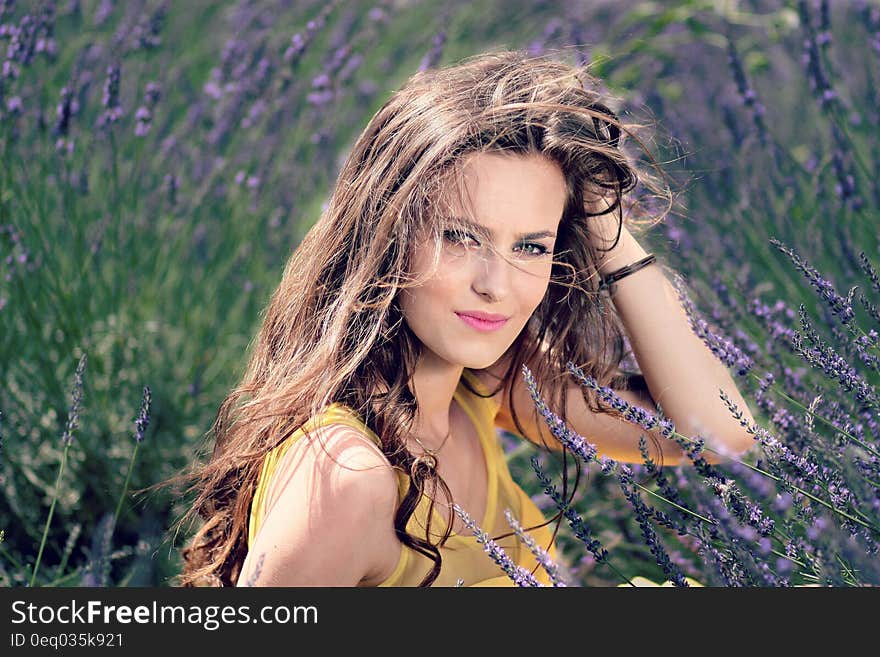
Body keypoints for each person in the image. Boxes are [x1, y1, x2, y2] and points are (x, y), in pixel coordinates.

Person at [168, 49, 756, 587]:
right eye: (459, 237)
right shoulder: (346, 480)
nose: (495, 287)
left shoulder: (484, 389)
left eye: (531, 246)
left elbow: (718, 438)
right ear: (385, 232)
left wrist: (608, 226)